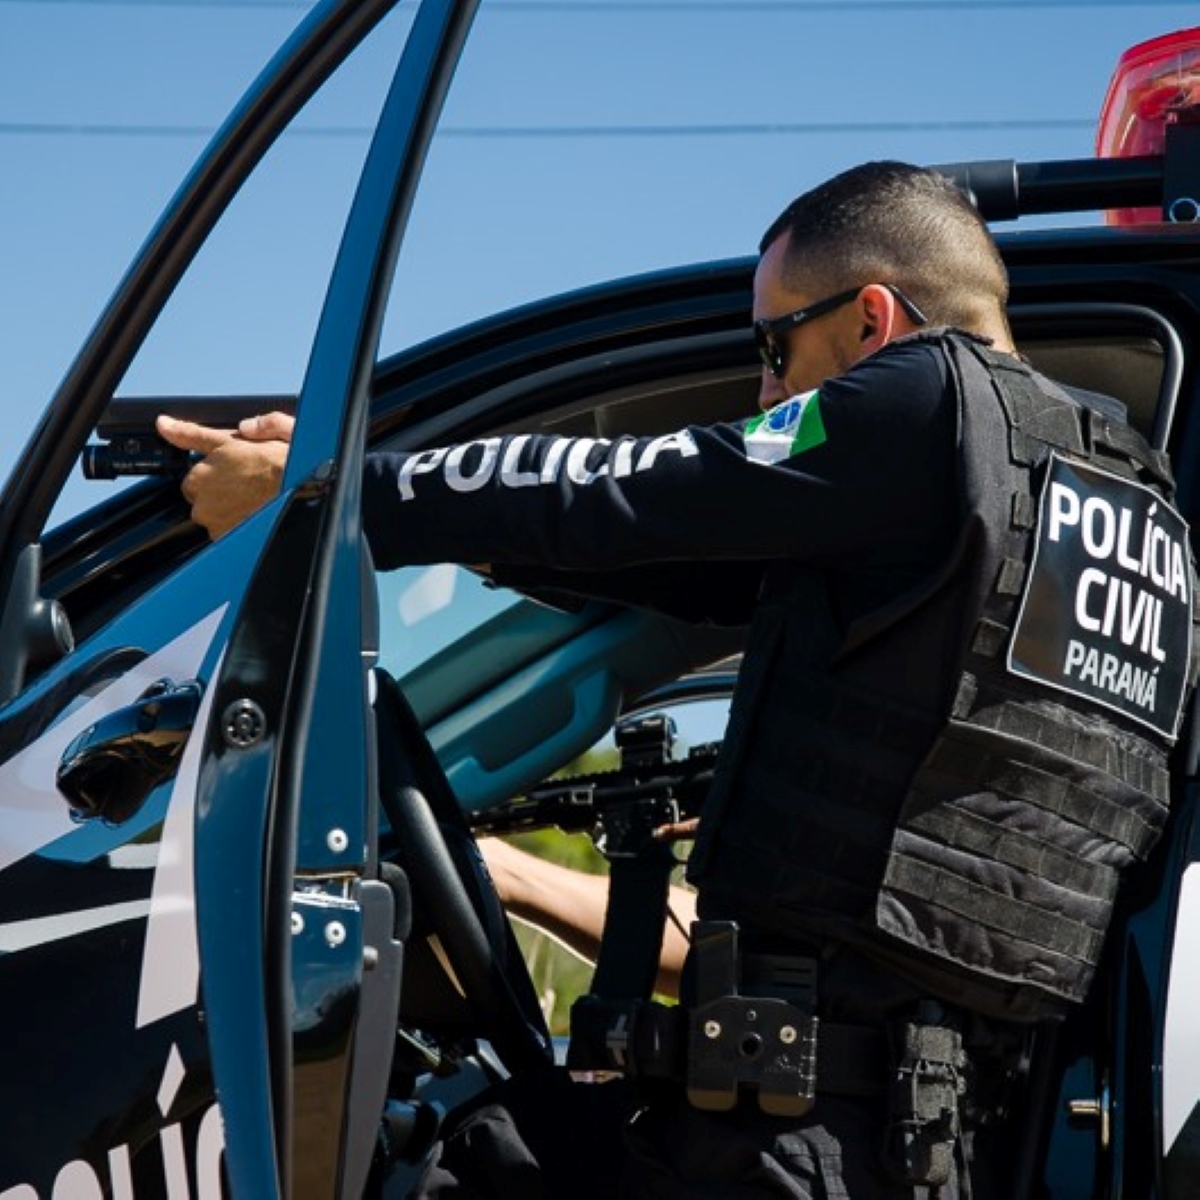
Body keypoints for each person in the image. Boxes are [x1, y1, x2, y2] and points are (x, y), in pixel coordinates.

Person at [157, 161, 1196, 1198]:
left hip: (806, 1134)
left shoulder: (923, 403)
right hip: (947, 1135)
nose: (765, 390)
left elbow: (630, 489)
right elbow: (689, 565)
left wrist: (324, 497)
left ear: (873, 319)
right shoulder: (1126, 505)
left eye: (774, 346)